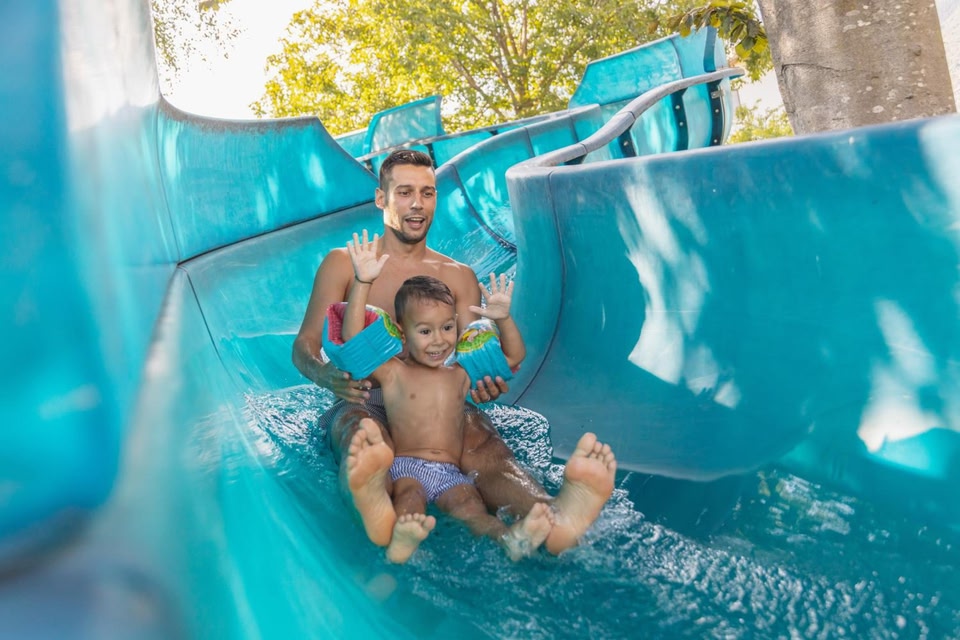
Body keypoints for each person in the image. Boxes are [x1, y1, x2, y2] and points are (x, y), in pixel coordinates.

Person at [292, 149, 616, 552]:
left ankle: (550, 517)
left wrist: (486, 383)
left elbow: (470, 357)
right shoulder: (345, 264)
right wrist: (324, 374)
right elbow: (304, 345)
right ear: (381, 198)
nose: (417, 204)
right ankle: (375, 507)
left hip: (434, 404)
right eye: (405, 192)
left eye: (427, 193)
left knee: (483, 441)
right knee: (359, 431)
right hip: (364, 396)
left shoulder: (459, 278)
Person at [341, 234, 553, 562]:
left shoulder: (460, 372)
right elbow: (354, 341)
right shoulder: (394, 372)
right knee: (409, 502)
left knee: (471, 508)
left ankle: (510, 539)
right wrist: (362, 282)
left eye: (447, 328)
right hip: (407, 467)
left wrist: (503, 319)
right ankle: (401, 542)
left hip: (450, 472)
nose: (438, 341)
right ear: (402, 332)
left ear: (456, 325)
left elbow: (513, 357)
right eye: (425, 331)